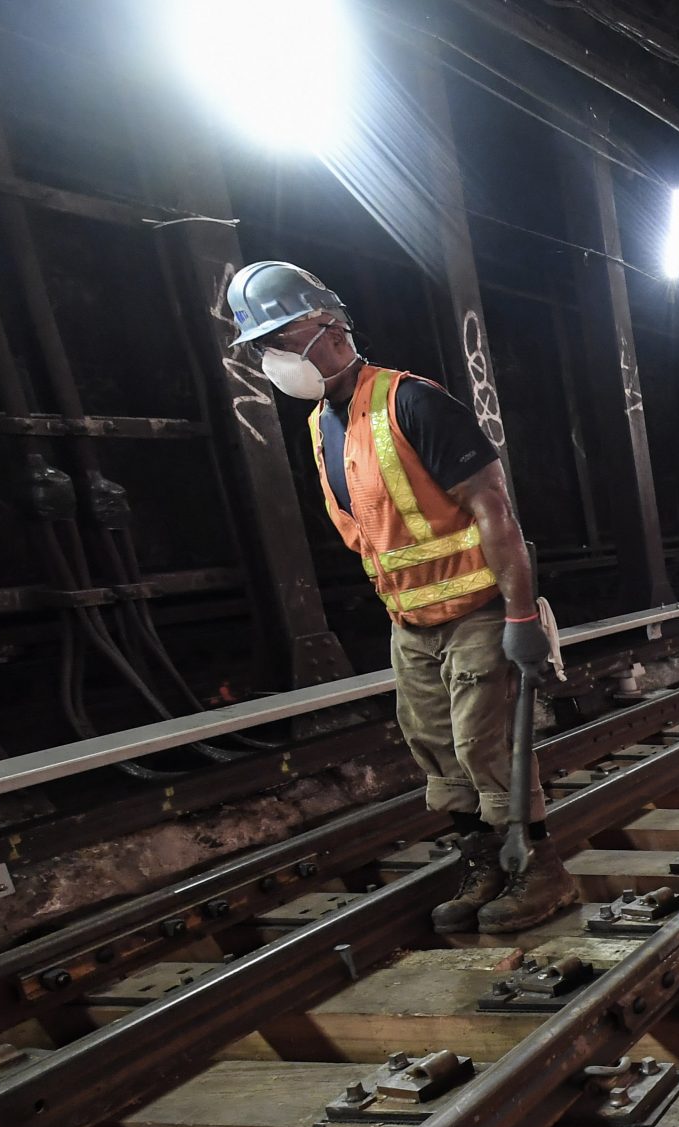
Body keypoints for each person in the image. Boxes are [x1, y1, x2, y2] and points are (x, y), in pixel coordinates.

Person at [225, 260, 575, 933]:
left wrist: (523, 615)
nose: (271, 356)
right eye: (260, 345)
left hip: (477, 610)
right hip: (409, 622)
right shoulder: (323, 424)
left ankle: (539, 873)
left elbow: (495, 510)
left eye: (279, 335)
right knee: (435, 746)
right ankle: (485, 865)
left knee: (484, 744)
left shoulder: (411, 402)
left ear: (327, 325)